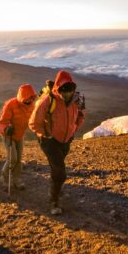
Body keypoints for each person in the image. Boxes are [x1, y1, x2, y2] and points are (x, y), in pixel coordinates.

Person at [29, 70, 85, 215]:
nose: (67, 94)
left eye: (70, 90)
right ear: (58, 88)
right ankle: (53, 201)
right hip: (50, 141)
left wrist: (72, 131)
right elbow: (34, 122)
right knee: (60, 172)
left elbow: (79, 117)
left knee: (57, 169)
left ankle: (56, 190)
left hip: (65, 140)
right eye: (64, 91)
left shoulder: (76, 100)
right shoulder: (48, 100)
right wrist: (46, 134)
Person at [0, 84, 37, 190]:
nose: (29, 101)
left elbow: (34, 121)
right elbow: (3, 121)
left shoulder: (32, 106)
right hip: (8, 135)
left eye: (31, 98)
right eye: (27, 98)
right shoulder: (10, 104)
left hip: (20, 135)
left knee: (19, 159)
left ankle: (17, 180)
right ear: (22, 97)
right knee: (13, 158)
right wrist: (6, 128)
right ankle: (4, 178)